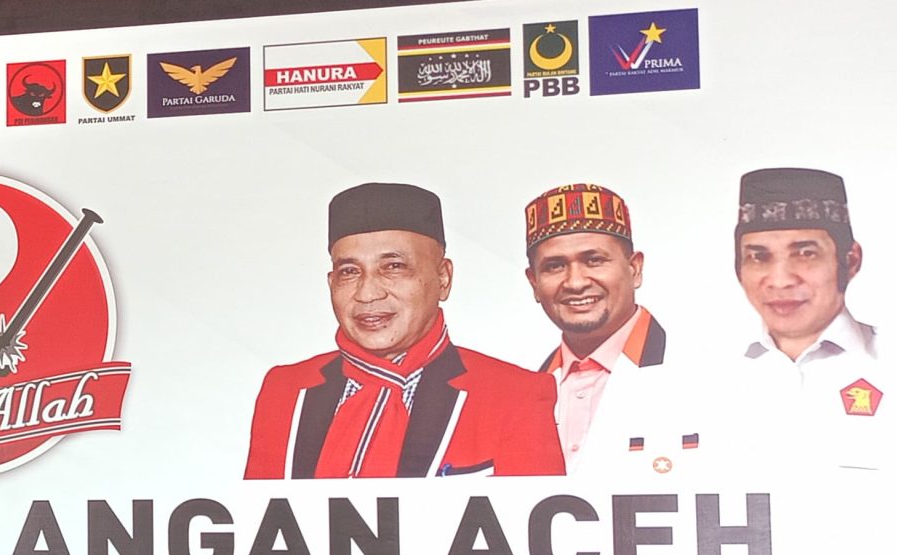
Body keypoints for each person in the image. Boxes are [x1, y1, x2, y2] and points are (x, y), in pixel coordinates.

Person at [244, 182, 563, 478]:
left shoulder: (515, 397)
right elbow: (257, 519)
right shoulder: (285, 390)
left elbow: (534, 520)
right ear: (331, 283)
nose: (367, 293)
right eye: (350, 271)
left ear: (443, 278)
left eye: (393, 267)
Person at [725, 166, 897, 469]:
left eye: (805, 253)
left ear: (851, 260)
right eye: (758, 257)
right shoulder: (709, 377)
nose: (780, 280)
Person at [521, 182, 697, 475]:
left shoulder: (703, 369)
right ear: (534, 283)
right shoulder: (520, 392)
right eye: (554, 266)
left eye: (594, 261)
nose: (575, 282)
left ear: (634, 269)